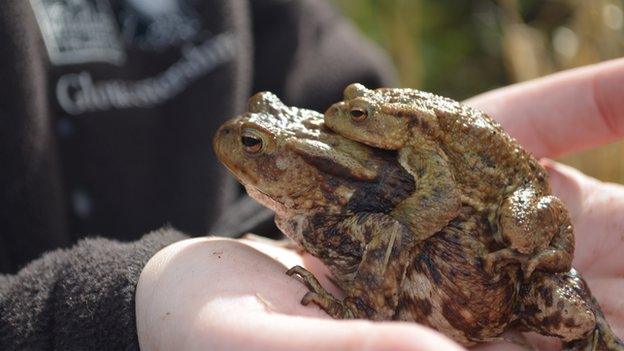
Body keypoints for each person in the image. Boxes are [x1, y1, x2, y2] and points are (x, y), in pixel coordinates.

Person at [1, 2, 622, 351]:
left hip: (501, 292)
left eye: (254, 142)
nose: (233, 140)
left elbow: (383, 226)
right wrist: (96, 315)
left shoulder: (338, 206)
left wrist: (354, 299)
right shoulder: (324, 209)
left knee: (576, 319)